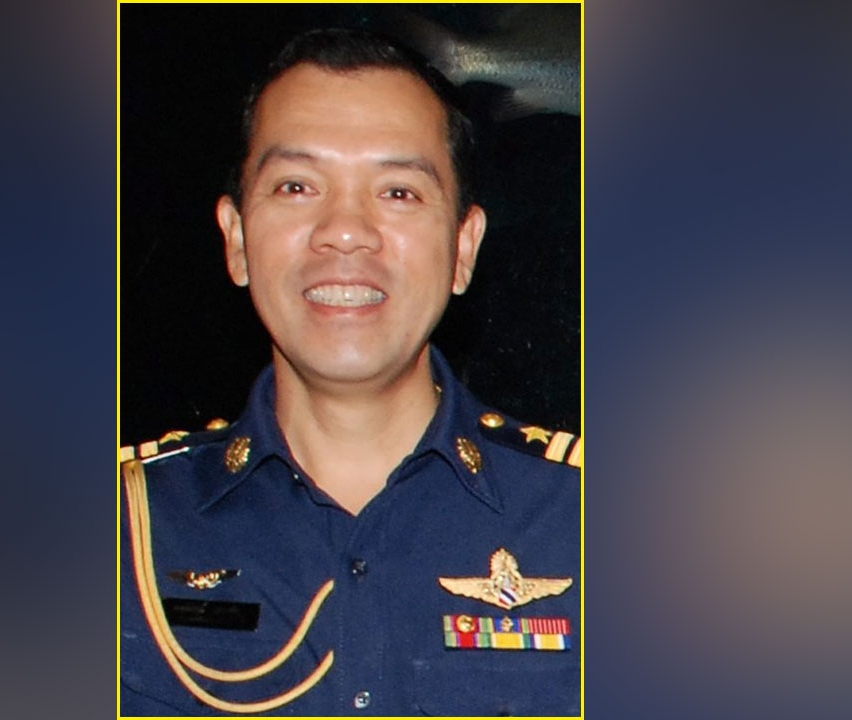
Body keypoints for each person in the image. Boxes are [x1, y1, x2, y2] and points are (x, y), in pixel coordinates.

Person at [120, 28, 581, 716]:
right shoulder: (119, 532)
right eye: (297, 186)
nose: (344, 230)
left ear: (463, 248)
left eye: (397, 192)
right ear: (237, 239)